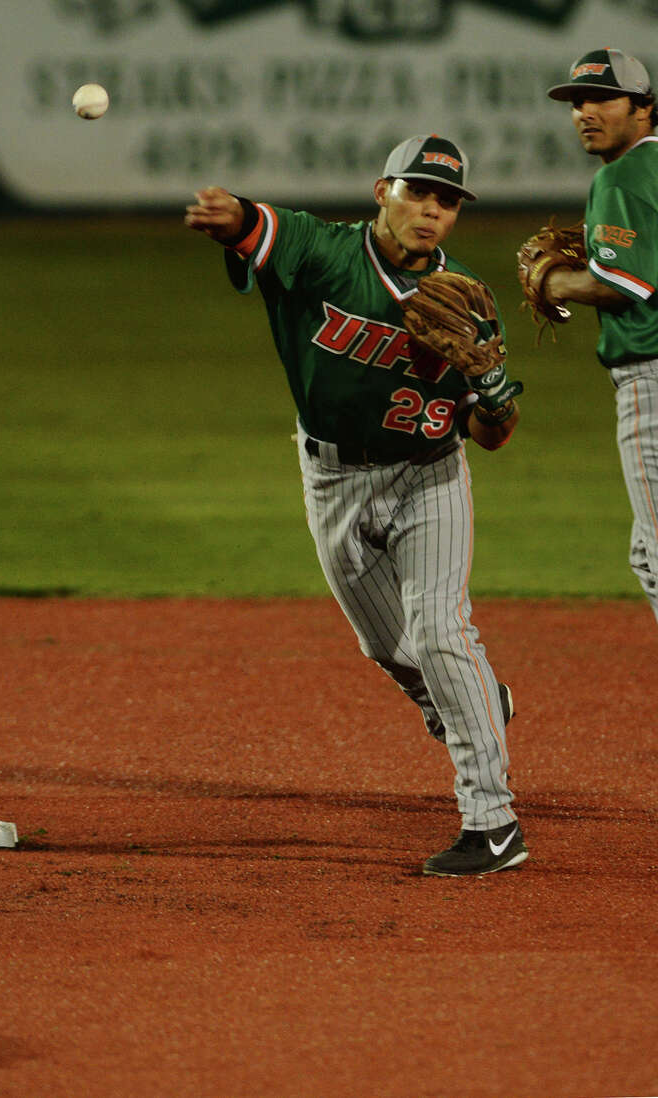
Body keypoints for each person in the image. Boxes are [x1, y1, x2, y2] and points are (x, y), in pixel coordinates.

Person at [184, 135, 527, 876]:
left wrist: (497, 402)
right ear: (383, 192)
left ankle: (492, 822)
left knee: (441, 629)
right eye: (417, 194)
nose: (430, 212)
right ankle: (468, 703)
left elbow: (491, 435)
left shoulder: (466, 299)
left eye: (446, 203)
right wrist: (229, 213)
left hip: (431, 475)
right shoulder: (323, 253)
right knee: (389, 648)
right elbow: (257, 225)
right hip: (333, 478)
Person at [529, 49, 658, 623]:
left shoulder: (623, 175)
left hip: (650, 382)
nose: (586, 111)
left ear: (643, 107)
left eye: (603, 98)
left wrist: (554, 282)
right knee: (644, 552)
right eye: (577, 101)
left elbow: (620, 287)